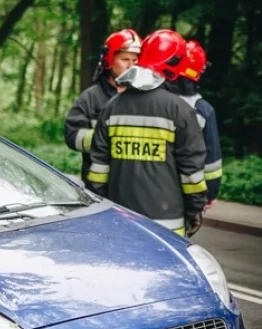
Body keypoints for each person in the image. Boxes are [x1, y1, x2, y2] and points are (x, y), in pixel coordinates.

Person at [88, 29, 208, 237]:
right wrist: (195, 209)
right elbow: (192, 174)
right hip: (167, 228)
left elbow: (98, 171)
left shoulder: (111, 107)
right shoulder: (180, 111)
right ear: (174, 65)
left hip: (120, 221)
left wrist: (101, 209)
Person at [65, 29, 142, 186]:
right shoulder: (91, 98)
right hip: (99, 186)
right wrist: (108, 139)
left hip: (135, 187)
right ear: (109, 61)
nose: (131, 66)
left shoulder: (143, 97)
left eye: (135, 61)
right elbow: (73, 136)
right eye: (125, 59)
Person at [170, 40, 223, 209]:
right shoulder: (204, 110)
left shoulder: (157, 102)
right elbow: (212, 161)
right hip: (189, 193)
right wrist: (210, 193)